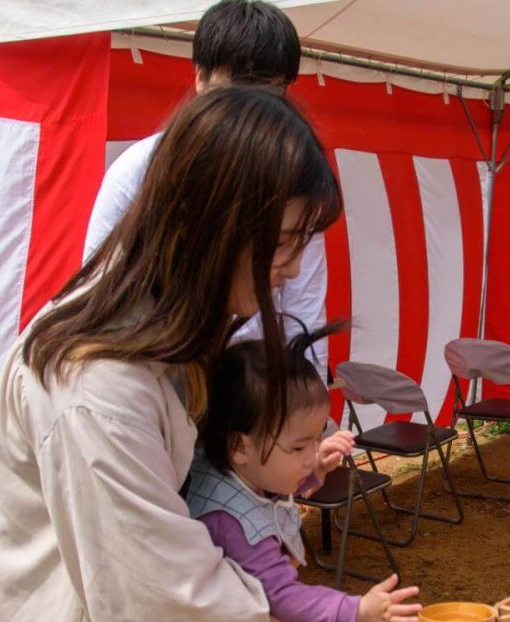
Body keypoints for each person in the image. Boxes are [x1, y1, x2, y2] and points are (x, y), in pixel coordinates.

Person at [0, 86, 343, 622]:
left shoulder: (165, 329)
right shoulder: (99, 383)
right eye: (282, 240)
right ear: (216, 222)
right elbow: (154, 597)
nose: (294, 267)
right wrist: (263, 588)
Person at [140, 323, 422, 622]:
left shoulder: (231, 465)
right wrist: (358, 610)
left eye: (318, 438)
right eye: (299, 446)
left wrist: (315, 469)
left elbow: (272, 491)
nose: (312, 453)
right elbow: (284, 597)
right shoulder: (229, 522)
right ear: (240, 446)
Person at [85, 0, 329, 369]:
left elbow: (304, 308)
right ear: (200, 77)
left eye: (269, 93)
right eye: (234, 90)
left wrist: (305, 407)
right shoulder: (139, 172)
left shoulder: (293, 182)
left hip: (251, 387)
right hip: (159, 369)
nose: (248, 110)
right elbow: (101, 295)